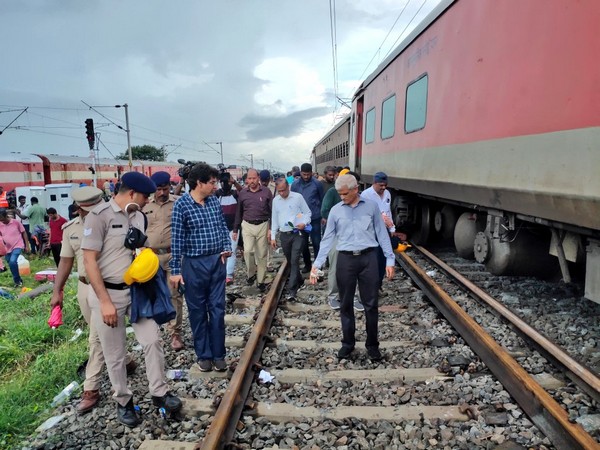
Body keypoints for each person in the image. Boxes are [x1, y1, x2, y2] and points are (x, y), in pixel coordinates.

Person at [82, 172, 182, 428]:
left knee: (152, 340)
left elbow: (141, 249)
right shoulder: (99, 216)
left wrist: (142, 247)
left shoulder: (138, 215)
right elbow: (89, 261)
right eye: (145, 195)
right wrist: (104, 302)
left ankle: (159, 393)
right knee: (115, 354)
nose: (148, 200)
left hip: (136, 291)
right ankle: (123, 401)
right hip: (108, 293)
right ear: (131, 193)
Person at [50, 186, 137, 414]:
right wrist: (57, 290)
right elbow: (65, 262)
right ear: (79, 208)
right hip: (86, 287)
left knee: (96, 339)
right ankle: (124, 361)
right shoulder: (71, 229)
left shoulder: (115, 219)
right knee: (101, 335)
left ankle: (91, 388)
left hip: (116, 286)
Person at [309, 174, 395, 362]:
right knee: (345, 304)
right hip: (346, 260)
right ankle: (347, 344)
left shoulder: (371, 207)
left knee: (371, 304)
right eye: (339, 194)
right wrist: (316, 265)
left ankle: (372, 345)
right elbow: (327, 239)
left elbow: (381, 233)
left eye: (345, 194)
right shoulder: (335, 211)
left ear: (356, 189)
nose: (342, 197)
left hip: (369, 258)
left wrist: (390, 259)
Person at [169, 163, 232, 373]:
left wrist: (226, 247)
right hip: (194, 265)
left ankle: (218, 354)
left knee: (217, 309)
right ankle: (203, 355)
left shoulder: (213, 201)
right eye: (212, 182)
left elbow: (222, 226)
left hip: (216, 263)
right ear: (199, 183)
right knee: (197, 311)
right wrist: (176, 271)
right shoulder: (182, 205)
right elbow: (176, 240)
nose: (215, 186)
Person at [143, 171, 185, 351]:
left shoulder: (177, 203)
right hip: (150, 256)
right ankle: (154, 330)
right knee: (152, 294)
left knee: (174, 294)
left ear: (169, 186)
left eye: (165, 189)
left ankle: (175, 333)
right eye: (158, 189)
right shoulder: (144, 206)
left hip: (173, 255)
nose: (161, 193)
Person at [321, 169, 364, 312]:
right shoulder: (333, 192)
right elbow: (324, 211)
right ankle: (333, 296)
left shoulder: (360, 198)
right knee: (335, 267)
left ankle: (354, 297)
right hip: (336, 237)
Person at [361, 171, 406, 292]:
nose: (383, 187)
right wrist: (378, 218)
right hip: (371, 232)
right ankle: (369, 286)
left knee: (382, 259)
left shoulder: (387, 194)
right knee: (372, 259)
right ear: (374, 183)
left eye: (385, 185)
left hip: (384, 231)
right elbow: (362, 215)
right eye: (381, 185)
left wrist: (392, 229)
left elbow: (388, 212)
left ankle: (378, 284)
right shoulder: (366, 195)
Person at [270, 177, 311, 300]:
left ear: (288, 187)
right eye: (279, 191)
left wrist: (304, 223)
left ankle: (292, 290)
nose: (282, 193)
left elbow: (308, 213)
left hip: (297, 234)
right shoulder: (276, 201)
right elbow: (274, 219)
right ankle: (298, 279)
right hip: (284, 235)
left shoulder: (298, 197)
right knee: (290, 260)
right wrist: (273, 237)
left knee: (294, 260)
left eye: (283, 190)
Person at [232, 168, 273, 292]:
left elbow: (272, 212)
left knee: (261, 254)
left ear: (258, 178)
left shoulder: (266, 192)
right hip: (247, 225)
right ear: (246, 180)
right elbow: (238, 212)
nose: (252, 181)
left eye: (254, 178)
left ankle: (260, 280)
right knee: (248, 251)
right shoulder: (243, 193)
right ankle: (251, 274)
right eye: (249, 179)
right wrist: (235, 229)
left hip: (263, 224)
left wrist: (271, 229)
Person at [291, 163, 324, 272]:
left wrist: (322, 215)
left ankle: (318, 265)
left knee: (316, 242)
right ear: (300, 173)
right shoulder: (295, 185)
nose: (306, 177)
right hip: (301, 219)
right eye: (304, 174)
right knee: (303, 244)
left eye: (308, 174)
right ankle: (307, 265)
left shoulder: (317, 184)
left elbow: (322, 199)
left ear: (312, 173)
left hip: (314, 218)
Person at [215, 172, 239, 285]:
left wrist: (235, 182)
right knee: (221, 252)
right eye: (223, 182)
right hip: (220, 228)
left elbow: (243, 192)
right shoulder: (216, 195)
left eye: (228, 182)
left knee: (232, 250)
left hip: (233, 228)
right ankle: (222, 273)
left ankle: (229, 274)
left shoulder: (235, 194)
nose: (225, 184)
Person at [0, 208, 30, 287]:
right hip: (7, 248)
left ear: (5, 216)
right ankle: (19, 279)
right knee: (10, 263)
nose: (0, 220)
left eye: (1, 218)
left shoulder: (16, 222)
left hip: (18, 245)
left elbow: (24, 233)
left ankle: (17, 282)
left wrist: (27, 245)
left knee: (13, 261)